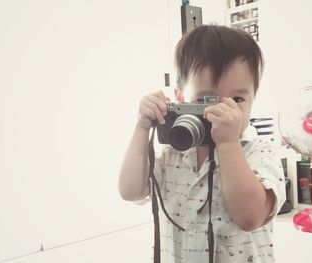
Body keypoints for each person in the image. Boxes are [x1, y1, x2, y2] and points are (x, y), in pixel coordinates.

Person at [119, 24, 286, 263]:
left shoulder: (260, 152)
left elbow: (250, 216)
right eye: (203, 100)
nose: (222, 111)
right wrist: (141, 127)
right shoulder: (172, 153)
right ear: (180, 98)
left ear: (253, 98)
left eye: (237, 99)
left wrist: (228, 143)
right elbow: (130, 190)